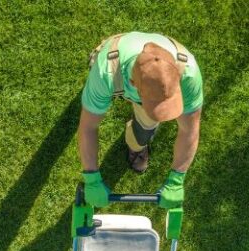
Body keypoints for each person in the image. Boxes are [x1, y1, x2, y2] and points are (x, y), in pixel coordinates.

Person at [77, 32, 203, 208]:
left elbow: (190, 129)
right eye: (156, 104)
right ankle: (99, 51)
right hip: (115, 65)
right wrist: (91, 178)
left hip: (133, 84)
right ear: (133, 83)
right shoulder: (106, 72)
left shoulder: (188, 74)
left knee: (143, 133)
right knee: (93, 98)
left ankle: (137, 146)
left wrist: (177, 179)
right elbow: (88, 127)